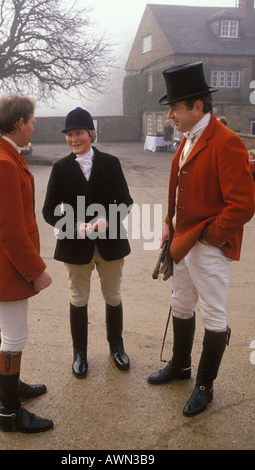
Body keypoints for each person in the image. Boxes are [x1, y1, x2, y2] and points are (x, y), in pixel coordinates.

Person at [148, 62, 254, 417]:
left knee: (213, 314)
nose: (170, 115)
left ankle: (205, 385)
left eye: (175, 108)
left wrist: (209, 237)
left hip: (207, 246)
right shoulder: (190, 138)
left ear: (197, 107)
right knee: (181, 303)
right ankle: (180, 366)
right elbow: (179, 190)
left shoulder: (228, 143)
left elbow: (242, 205)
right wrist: (168, 222)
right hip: (182, 240)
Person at [0, 95, 53, 433]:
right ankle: (10, 412)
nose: (33, 127)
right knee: (14, 337)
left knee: (1, 330)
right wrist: (36, 270)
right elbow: (11, 230)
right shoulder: (0, 161)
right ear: (19, 123)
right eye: (32, 122)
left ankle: (12, 390)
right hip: (6, 261)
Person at [42, 107, 133, 378]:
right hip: (75, 246)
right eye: (69, 135)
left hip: (110, 243)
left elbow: (126, 201)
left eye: (78, 133)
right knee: (78, 299)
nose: (74, 139)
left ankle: (116, 347)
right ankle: (79, 353)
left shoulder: (111, 162)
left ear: (91, 134)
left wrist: (110, 219)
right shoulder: (59, 168)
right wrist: (73, 226)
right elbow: (48, 211)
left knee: (113, 296)